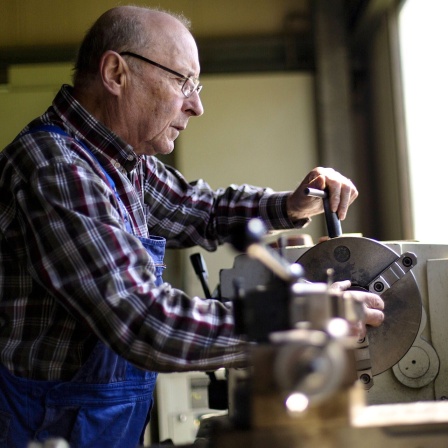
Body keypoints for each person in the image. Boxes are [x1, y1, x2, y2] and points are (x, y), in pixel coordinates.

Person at [0, 5, 384, 448]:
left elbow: (204, 210)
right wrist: (304, 316)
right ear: (115, 73)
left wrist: (292, 206)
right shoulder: (57, 169)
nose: (196, 105)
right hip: (41, 429)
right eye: (183, 81)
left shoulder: (123, 163)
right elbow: (145, 323)